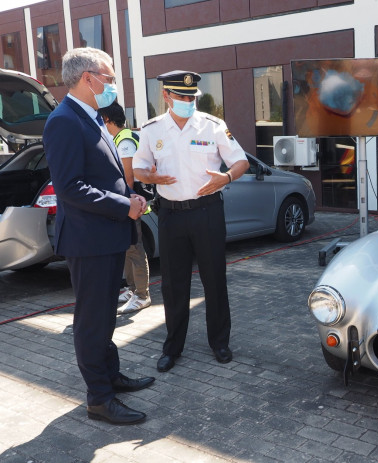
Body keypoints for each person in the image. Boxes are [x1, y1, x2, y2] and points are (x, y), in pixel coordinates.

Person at [42, 47, 154, 425]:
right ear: (87, 77)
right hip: (89, 242)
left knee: (105, 317)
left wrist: (131, 196)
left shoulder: (90, 117)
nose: (112, 85)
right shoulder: (64, 121)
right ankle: (99, 399)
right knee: (92, 321)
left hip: (106, 238)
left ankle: (111, 377)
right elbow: (70, 187)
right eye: (108, 77)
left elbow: (104, 177)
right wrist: (123, 206)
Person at [132, 70, 250, 373]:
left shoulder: (212, 126)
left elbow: (241, 161)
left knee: (215, 280)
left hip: (207, 212)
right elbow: (139, 168)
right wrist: (150, 176)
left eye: (192, 97)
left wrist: (225, 177)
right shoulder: (151, 130)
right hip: (170, 214)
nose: (188, 101)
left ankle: (220, 343)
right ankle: (172, 348)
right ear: (167, 96)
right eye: (182, 97)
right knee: (173, 285)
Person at [98, 101, 152, 314]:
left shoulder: (125, 141)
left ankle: (142, 294)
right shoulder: (118, 139)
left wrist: (122, 205)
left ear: (106, 119)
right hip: (124, 203)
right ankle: (132, 289)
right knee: (127, 248)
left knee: (135, 248)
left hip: (130, 203)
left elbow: (127, 179)